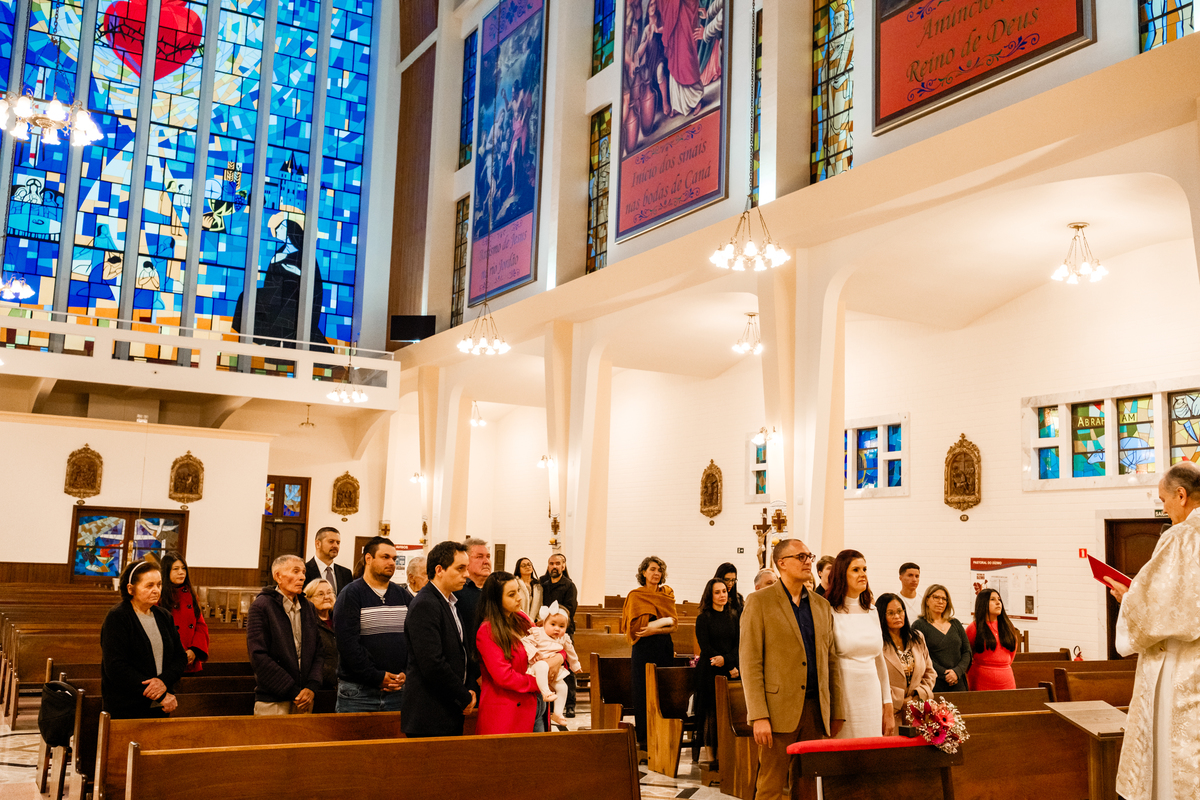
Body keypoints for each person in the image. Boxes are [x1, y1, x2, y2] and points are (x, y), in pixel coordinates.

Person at [1107, 460, 1200, 800]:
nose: (1163, 509)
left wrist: (1126, 598)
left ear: (1181, 495)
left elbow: (1155, 610)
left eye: (1163, 501)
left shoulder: (1182, 537)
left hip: (1184, 665)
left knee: (1173, 752)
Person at [740, 538, 841, 800]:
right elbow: (750, 663)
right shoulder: (759, 602)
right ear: (781, 563)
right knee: (771, 785)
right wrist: (759, 715)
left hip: (814, 709)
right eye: (801, 557)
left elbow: (831, 661)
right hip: (776, 711)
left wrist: (836, 709)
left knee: (807, 784)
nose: (808, 561)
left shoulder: (821, 605)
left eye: (809, 556)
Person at [402, 540, 477, 737]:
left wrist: (468, 688)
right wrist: (463, 695)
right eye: (460, 568)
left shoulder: (451, 602)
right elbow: (432, 663)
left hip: (449, 706)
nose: (467, 575)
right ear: (439, 569)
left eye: (467, 568)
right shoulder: (425, 604)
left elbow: (460, 652)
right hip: (430, 712)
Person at [101, 560, 188, 719]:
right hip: (126, 707)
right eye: (149, 586)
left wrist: (162, 683)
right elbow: (115, 667)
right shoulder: (118, 617)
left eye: (159, 585)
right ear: (131, 589)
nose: (156, 590)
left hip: (161, 707)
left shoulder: (164, 616)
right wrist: (159, 694)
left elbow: (180, 657)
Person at [333, 537, 408, 712]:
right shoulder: (351, 594)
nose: (391, 562)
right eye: (385, 557)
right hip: (358, 693)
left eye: (394, 559)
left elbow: (414, 639)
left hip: (397, 691)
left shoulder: (402, 595)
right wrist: (376, 677)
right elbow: (347, 645)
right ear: (368, 559)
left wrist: (406, 672)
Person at [826, 549, 893, 738]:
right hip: (844, 695)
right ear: (841, 574)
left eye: (865, 569)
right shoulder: (829, 610)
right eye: (856, 570)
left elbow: (879, 661)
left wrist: (887, 704)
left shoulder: (871, 610)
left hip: (871, 693)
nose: (863, 574)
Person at [246, 555, 325, 715]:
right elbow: (258, 656)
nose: (302, 577)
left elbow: (318, 651)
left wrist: (311, 686)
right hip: (273, 699)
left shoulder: (308, 607)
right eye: (295, 571)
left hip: (305, 698)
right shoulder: (261, 606)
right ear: (278, 576)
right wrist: (292, 690)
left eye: (303, 572)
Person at [474, 571, 543, 734]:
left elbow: (546, 644)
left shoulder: (522, 618)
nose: (519, 597)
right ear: (496, 599)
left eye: (518, 591)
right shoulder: (488, 630)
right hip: (508, 710)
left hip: (535, 704)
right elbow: (504, 676)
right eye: (512, 594)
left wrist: (558, 658)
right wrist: (538, 682)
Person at [620, 555, 677, 748]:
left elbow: (673, 624)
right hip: (643, 649)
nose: (656, 573)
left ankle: (661, 737)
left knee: (663, 691)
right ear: (643, 572)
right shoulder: (635, 596)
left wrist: (654, 628)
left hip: (663, 646)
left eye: (659, 570)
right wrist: (660, 623)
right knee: (643, 692)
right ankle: (644, 739)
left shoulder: (667, 594)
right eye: (652, 569)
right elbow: (634, 629)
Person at [693, 577, 739, 764]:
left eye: (724, 591)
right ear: (710, 595)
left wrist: (729, 663)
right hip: (709, 671)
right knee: (711, 715)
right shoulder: (703, 618)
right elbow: (706, 647)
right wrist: (724, 662)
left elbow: (738, 644)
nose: (722, 595)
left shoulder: (733, 617)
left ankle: (726, 754)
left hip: (729, 669)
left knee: (728, 714)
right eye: (717, 592)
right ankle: (711, 757)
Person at [877, 592, 936, 731]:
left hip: (917, 709)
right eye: (890, 613)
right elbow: (875, 679)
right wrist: (899, 701)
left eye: (899, 611)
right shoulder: (877, 642)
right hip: (890, 712)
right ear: (881, 616)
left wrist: (917, 695)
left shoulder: (917, 637)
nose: (897, 616)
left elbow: (930, 673)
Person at [520, 602, 580, 728]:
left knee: (563, 687)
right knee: (542, 666)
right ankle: (545, 692)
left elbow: (571, 653)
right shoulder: (538, 633)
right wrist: (533, 652)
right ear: (544, 623)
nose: (557, 628)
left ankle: (557, 713)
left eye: (562, 626)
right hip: (537, 665)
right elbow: (525, 642)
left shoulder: (563, 639)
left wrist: (576, 665)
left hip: (553, 670)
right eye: (553, 624)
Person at [911, 584, 971, 693]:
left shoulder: (956, 623)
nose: (941, 601)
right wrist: (945, 674)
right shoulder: (919, 625)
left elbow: (967, 652)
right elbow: (920, 656)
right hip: (934, 682)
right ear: (927, 600)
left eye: (944, 599)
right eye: (936, 597)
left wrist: (957, 672)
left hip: (958, 681)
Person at [540, 552, 579, 715]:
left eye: (557, 563)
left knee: (566, 666)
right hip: (544, 632)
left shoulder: (569, 585)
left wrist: (554, 621)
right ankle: (548, 701)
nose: (554, 566)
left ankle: (570, 703)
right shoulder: (543, 584)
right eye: (551, 563)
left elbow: (570, 609)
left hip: (562, 632)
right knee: (545, 666)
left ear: (563, 566)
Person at [158, 553, 209, 674]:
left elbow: (200, 625)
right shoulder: (158, 595)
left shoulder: (190, 594)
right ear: (166, 571)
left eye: (183, 568)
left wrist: (194, 650)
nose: (181, 572)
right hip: (168, 657)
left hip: (189, 657)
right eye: (175, 569)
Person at [454, 536, 491, 696]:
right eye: (479, 557)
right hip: (471, 674)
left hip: (498, 669)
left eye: (488, 556)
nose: (486, 561)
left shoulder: (495, 590)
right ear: (466, 561)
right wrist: (476, 674)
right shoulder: (458, 592)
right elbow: (463, 637)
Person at [964, 588, 1018, 690]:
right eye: (992, 599)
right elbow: (966, 654)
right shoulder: (974, 627)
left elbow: (1012, 653)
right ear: (983, 603)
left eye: (999, 599)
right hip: (980, 679)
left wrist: (999, 668)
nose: (998, 603)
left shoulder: (1008, 626)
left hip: (1006, 679)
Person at [303, 578, 339, 689]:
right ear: (308, 599)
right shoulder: (306, 624)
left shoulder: (341, 621)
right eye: (320, 594)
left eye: (329, 593)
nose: (327, 597)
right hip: (320, 686)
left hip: (344, 686)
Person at [305, 527, 353, 596]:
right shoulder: (304, 571)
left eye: (338, 543)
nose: (335, 546)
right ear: (318, 544)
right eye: (331, 541)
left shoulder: (346, 573)